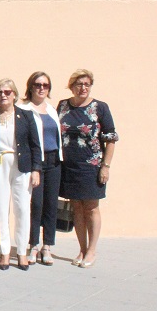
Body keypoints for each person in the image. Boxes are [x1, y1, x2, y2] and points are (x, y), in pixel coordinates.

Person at [0, 78, 41, 270]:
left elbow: (35, 144)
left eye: (6, 92)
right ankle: (4, 252)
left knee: (22, 209)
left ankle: (21, 251)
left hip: (22, 166)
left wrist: (36, 169)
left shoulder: (26, 116)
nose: (3, 95)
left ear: (14, 94)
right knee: (0, 207)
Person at [57, 69, 117, 268]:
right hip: (69, 166)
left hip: (91, 166)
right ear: (71, 86)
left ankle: (92, 250)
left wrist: (105, 167)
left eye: (87, 84)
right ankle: (82, 249)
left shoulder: (100, 107)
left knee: (91, 207)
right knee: (76, 208)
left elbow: (111, 139)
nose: (83, 88)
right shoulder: (63, 106)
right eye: (79, 84)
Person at [19, 71, 63, 266]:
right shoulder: (23, 109)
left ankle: (47, 246)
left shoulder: (52, 109)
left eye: (45, 85)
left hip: (54, 161)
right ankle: (34, 244)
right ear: (30, 87)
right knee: (36, 204)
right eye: (38, 84)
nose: (41, 88)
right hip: (36, 162)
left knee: (51, 205)